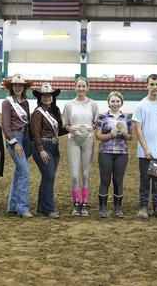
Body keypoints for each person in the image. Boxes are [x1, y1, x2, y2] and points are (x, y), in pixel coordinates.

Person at [132, 73, 157, 219]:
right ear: (147, 85)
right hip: (145, 153)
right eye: (152, 84)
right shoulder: (141, 106)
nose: (155, 87)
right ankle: (143, 207)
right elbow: (138, 129)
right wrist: (146, 149)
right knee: (145, 181)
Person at [63, 77, 99, 216]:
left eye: (84, 86)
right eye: (79, 86)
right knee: (74, 175)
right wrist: (69, 128)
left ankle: (84, 202)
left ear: (87, 88)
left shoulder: (93, 104)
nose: (81, 89)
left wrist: (92, 127)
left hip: (88, 140)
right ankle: (75, 203)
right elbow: (65, 124)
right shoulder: (69, 105)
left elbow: (96, 122)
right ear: (75, 88)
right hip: (73, 140)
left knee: (86, 173)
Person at [31, 83, 67, 219]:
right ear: (40, 98)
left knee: (47, 177)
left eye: (49, 95)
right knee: (50, 177)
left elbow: (58, 131)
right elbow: (35, 133)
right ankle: (50, 208)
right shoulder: (37, 113)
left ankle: (41, 208)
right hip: (43, 147)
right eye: (44, 95)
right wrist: (41, 150)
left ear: (52, 97)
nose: (47, 97)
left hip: (54, 147)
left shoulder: (54, 112)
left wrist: (68, 129)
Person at [95, 91, 132, 218]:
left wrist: (126, 134)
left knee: (118, 180)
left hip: (122, 153)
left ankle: (118, 208)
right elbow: (98, 136)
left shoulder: (126, 118)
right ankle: (103, 208)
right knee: (105, 180)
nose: (115, 103)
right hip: (105, 152)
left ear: (121, 103)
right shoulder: (102, 117)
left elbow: (131, 137)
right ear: (109, 103)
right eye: (113, 101)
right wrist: (110, 135)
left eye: (117, 101)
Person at [2, 74, 33, 218]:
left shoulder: (25, 103)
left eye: (21, 85)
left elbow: (28, 122)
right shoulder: (7, 102)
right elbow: (5, 126)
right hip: (15, 137)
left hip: (25, 137)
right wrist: (14, 143)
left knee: (19, 171)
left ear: (24, 87)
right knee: (25, 171)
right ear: (12, 87)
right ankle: (23, 208)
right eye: (16, 85)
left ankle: (13, 205)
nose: (18, 87)